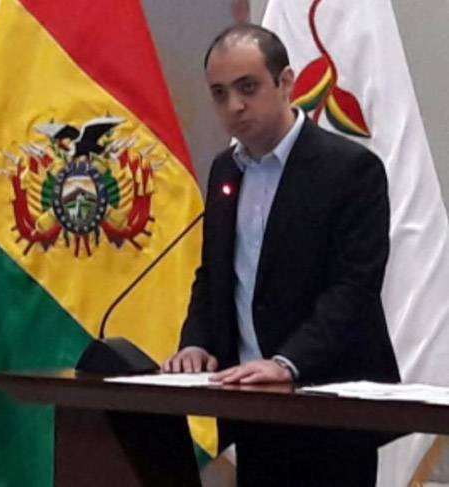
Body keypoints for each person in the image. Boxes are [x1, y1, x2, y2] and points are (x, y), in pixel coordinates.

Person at [162, 24, 400, 487]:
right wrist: (196, 342)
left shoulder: (350, 170)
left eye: (248, 88)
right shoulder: (224, 171)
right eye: (219, 93)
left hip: (329, 406)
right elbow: (213, 275)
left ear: (286, 82)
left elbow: (353, 290)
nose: (234, 106)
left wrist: (286, 362)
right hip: (251, 408)